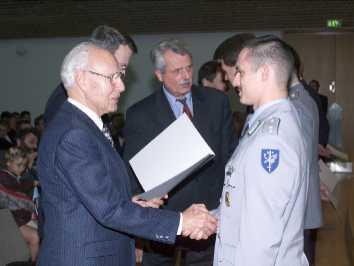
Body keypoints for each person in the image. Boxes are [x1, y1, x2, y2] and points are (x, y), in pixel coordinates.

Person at [37, 42, 217, 266]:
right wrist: (181, 222)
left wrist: (134, 203)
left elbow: (93, 198)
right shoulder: (74, 133)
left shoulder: (83, 125)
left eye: (119, 76)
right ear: (82, 79)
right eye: (112, 77)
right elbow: (109, 210)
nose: (121, 86)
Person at [123, 39, 236, 265]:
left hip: (209, 218)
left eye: (188, 68)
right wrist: (137, 231)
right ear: (159, 74)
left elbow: (229, 157)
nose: (185, 76)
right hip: (165, 219)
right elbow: (134, 173)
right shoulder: (139, 114)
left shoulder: (217, 102)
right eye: (177, 71)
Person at [214, 36, 309, 265]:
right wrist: (215, 217)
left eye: (241, 72)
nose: (235, 81)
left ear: (264, 73)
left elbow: (260, 238)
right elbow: (248, 199)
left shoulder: (270, 140)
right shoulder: (267, 122)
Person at [43, 25, 137, 127]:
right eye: (121, 67)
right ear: (103, 55)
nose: (122, 78)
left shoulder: (97, 99)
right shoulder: (63, 100)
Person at [287, 44, 322, 266]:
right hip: (303, 209)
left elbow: (297, 163)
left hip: (298, 210)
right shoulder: (302, 98)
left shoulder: (294, 104)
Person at [0, 147, 39, 262]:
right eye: (19, 165)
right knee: (35, 237)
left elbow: (21, 186)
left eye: (24, 165)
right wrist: (32, 183)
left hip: (15, 218)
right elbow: (15, 197)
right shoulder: (3, 177)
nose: (22, 168)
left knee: (41, 230)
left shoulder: (11, 175)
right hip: (8, 220)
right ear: (8, 163)